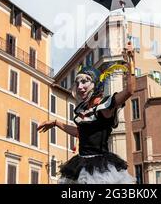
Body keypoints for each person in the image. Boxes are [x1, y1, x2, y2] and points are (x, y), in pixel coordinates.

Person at [37, 46, 136, 184]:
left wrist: (131, 61)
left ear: (95, 84)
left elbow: (130, 91)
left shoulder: (106, 105)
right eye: (77, 83)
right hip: (81, 164)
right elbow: (80, 132)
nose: (79, 87)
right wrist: (55, 123)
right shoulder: (82, 110)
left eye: (84, 82)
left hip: (101, 169)